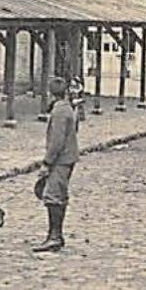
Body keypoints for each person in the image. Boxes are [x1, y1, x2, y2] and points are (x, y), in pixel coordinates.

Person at [34, 77, 82, 253]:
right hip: (66, 157)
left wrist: (47, 162)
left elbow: (57, 140)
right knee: (56, 194)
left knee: (53, 196)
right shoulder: (66, 107)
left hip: (61, 159)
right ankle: (56, 235)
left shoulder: (60, 111)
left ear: (50, 93)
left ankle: (55, 236)